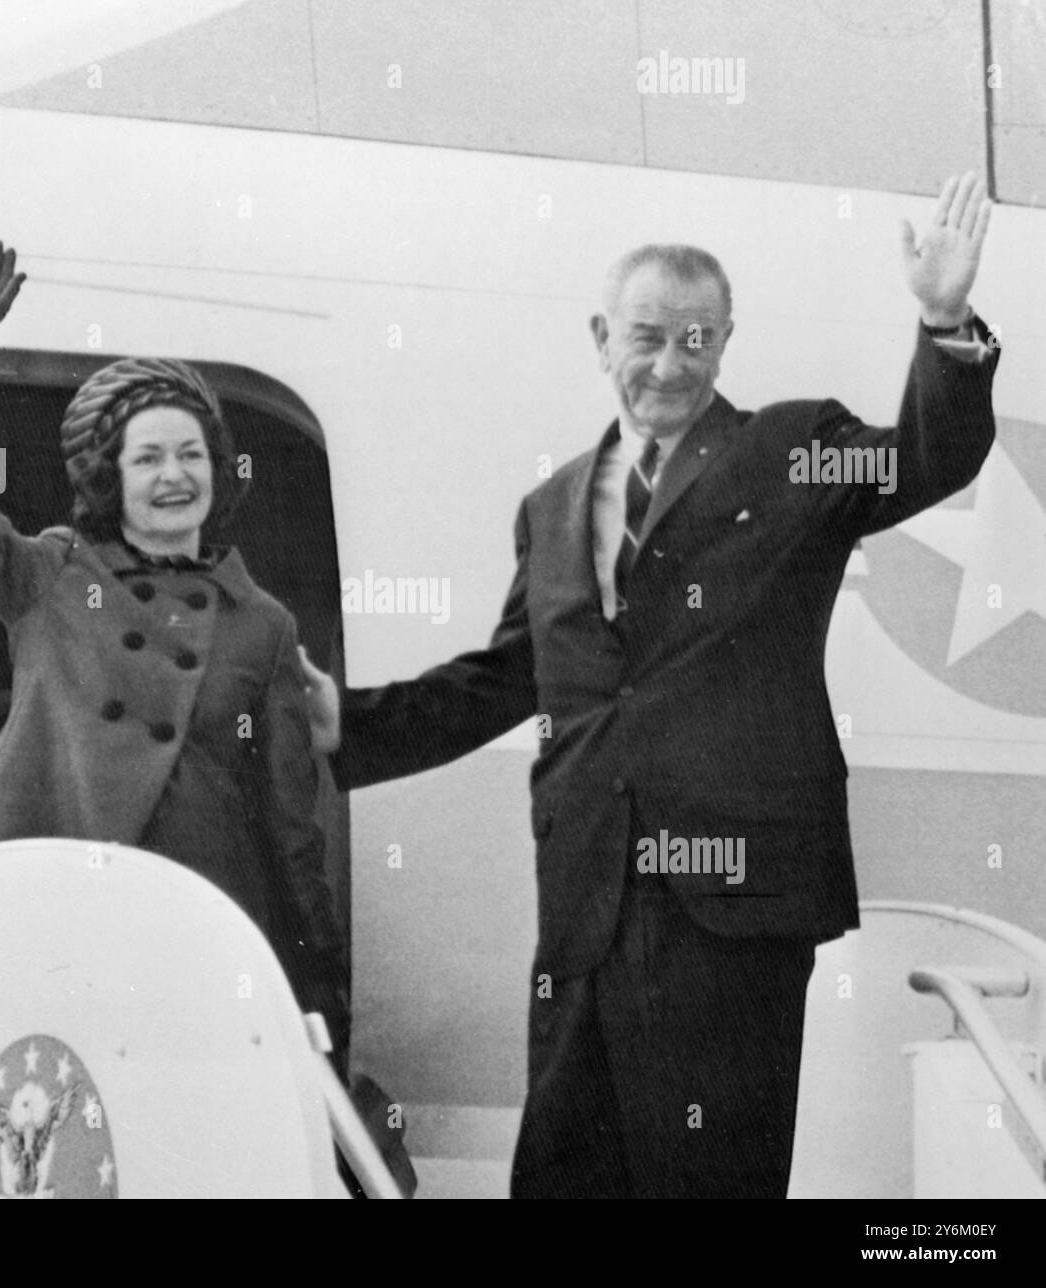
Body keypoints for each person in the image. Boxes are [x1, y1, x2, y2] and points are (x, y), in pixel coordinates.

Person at [303, 171, 998, 1198]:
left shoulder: (791, 449)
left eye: (695, 337)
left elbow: (928, 459)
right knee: (562, 1176)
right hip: (586, 902)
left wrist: (942, 324)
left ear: (725, 340)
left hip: (732, 907)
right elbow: (505, 678)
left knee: (709, 1181)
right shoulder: (550, 506)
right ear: (600, 337)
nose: (668, 363)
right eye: (645, 335)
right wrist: (343, 725)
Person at [0, 242, 349, 1069]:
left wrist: (314, 975)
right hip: (49, 924)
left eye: (191, 454)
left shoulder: (263, 625)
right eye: (148, 457)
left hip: (192, 937)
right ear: (111, 476)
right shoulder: (50, 574)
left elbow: (289, 823)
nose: (175, 475)